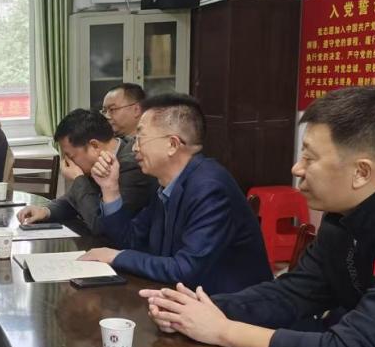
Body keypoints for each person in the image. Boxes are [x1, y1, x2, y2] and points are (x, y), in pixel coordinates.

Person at [140, 87, 375, 347]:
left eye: (310, 157)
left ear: (361, 172)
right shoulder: (344, 214)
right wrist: (196, 310)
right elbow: (295, 291)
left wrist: (223, 330)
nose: (296, 168)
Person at [79, 93, 271, 293]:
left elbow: (185, 269)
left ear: (172, 144)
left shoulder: (209, 188)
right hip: (181, 295)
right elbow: (130, 239)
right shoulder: (166, 184)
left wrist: (117, 257)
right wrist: (110, 188)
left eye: (140, 138)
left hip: (229, 304)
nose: (134, 148)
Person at [17, 109, 155, 234]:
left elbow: (100, 225)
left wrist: (78, 178)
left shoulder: (132, 167)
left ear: (94, 145)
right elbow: (72, 201)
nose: (67, 162)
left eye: (70, 156)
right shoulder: (97, 161)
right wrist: (45, 211)